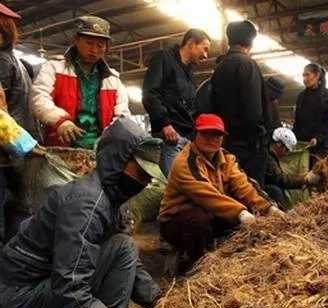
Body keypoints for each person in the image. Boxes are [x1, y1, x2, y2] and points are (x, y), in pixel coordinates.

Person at [0, 117, 164, 308]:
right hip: (17, 293)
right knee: (123, 246)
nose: (143, 182)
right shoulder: (87, 205)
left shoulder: (109, 199)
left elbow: (127, 263)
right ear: (117, 160)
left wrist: (157, 300)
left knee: (122, 246)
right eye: (139, 172)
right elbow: (69, 285)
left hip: (30, 282)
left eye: (147, 176)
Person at [159, 114, 282, 272]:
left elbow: (243, 185)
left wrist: (268, 208)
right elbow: (208, 195)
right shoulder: (185, 162)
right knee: (200, 219)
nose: (211, 139)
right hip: (176, 220)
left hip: (211, 212)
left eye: (216, 135)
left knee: (243, 213)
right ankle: (194, 264)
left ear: (223, 138)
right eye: (206, 134)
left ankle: (228, 258)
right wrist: (241, 213)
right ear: (196, 134)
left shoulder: (227, 158)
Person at [31, 15, 130, 149]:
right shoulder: (54, 67)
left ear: (106, 48)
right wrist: (60, 122)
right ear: (76, 41)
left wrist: (108, 138)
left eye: (100, 45)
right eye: (89, 43)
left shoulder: (113, 79)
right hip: (59, 147)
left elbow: (122, 114)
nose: (94, 50)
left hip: (101, 151)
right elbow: (39, 97)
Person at [0, 4, 42, 244]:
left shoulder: (11, 61)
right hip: (9, 155)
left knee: (20, 209)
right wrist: (25, 145)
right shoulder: (5, 62)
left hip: (12, 155)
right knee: (19, 211)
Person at [143, 28, 211, 177]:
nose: (206, 56)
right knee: (171, 186)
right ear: (191, 44)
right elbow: (150, 94)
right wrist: (164, 123)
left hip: (186, 139)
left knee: (185, 185)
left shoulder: (190, 74)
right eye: (204, 49)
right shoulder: (163, 58)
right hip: (169, 137)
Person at [209, 20, 269, 185]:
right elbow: (253, 110)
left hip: (226, 143)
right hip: (248, 146)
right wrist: (260, 135)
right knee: (252, 192)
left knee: (231, 190)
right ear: (250, 42)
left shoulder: (219, 68)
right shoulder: (247, 64)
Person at [265, 127, 321, 209]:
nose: (286, 153)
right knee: (275, 191)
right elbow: (280, 179)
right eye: (286, 150)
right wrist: (305, 179)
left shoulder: (270, 156)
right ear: (279, 144)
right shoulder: (267, 158)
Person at [292, 63, 328, 167]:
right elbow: (297, 121)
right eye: (303, 75)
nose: (304, 78)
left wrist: (318, 138)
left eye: (307, 75)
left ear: (317, 75)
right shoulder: (301, 96)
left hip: (320, 147)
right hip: (302, 145)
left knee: (318, 175)